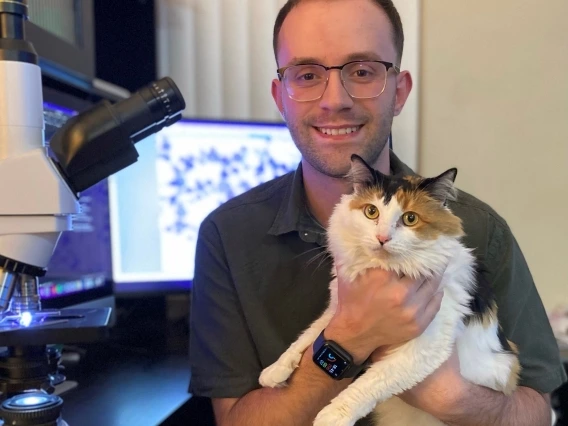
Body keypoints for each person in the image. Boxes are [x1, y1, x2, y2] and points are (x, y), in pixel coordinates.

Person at [188, 0, 567, 425]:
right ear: (281, 96)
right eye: (307, 75)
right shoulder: (228, 235)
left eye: (363, 71)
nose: (334, 100)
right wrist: (347, 340)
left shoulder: (479, 230)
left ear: (400, 91)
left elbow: (537, 412)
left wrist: (454, 399)